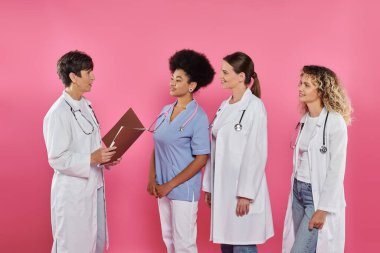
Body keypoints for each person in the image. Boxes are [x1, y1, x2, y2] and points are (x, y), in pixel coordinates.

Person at [43, 50, 121, 253]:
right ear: (73, 77)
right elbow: (56, 158)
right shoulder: (57, 113)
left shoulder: (86, 106)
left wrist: (104, 159)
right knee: (73, 246)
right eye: (88, 72)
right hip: (72, 194)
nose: (93, 77)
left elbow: (89, 145)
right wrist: (90, 158)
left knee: (94, 243)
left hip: (93, 187)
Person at [203, 52, 274, 253]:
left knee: (242, 244)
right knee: (227, 245)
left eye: (225, 72)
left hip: (241, 193)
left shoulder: (255, 107)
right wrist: (209, 185)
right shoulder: (224, 106)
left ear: (241, 76)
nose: (221, 76)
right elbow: (214, 149)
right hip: (222, 189)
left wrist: (245, 194)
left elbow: (256, 153)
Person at [147, 49, 215, 253]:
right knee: (169, 240)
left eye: (178, 80)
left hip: (183, 190)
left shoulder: (198, 117)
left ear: (192, 85)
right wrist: (152, 178)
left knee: (184, 244)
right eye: (172, 78)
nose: (172, 83)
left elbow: (201, 159)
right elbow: (157, 145)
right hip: (162, 187)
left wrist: (170, 184)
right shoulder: (165, 111)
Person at [282, 65, 352, 253]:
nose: (300, 88)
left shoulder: (335, 122)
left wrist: (323, 209)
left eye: (307, 85)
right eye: (300, 83)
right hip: (298, 190)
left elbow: (336, 170)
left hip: (317, 196)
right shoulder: (305, 119)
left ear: (320, 90)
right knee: (304, 246)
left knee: (300, 249)